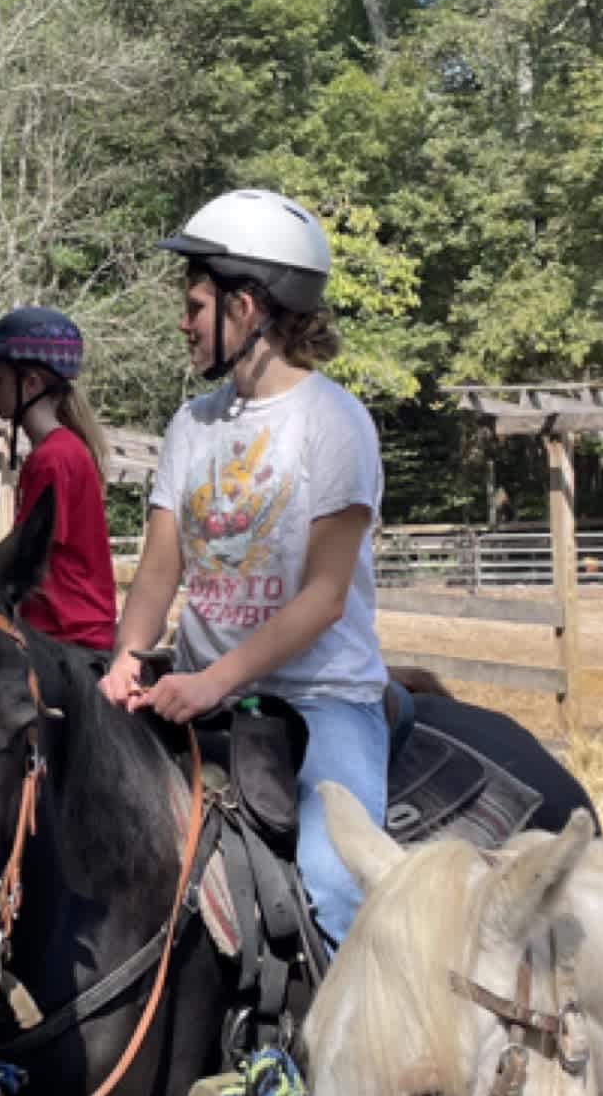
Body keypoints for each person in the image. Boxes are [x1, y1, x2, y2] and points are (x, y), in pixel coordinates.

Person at [99, 188, 391, 945]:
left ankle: (326, 1059)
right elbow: (159, 573)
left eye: (197, 304)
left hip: (320, 699)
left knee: (333, 884)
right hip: (198, 694)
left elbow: (325, 597)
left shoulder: (334, 422)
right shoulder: (190, 426)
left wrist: (211, 682)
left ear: (249, 306)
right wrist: (127, 661)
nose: (183, 321)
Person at [0, 306, 117, 652]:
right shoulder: (62, 450)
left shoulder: (53, 458)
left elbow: (25, 556)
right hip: (63, 631)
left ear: (31, 383)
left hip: (66, 635)